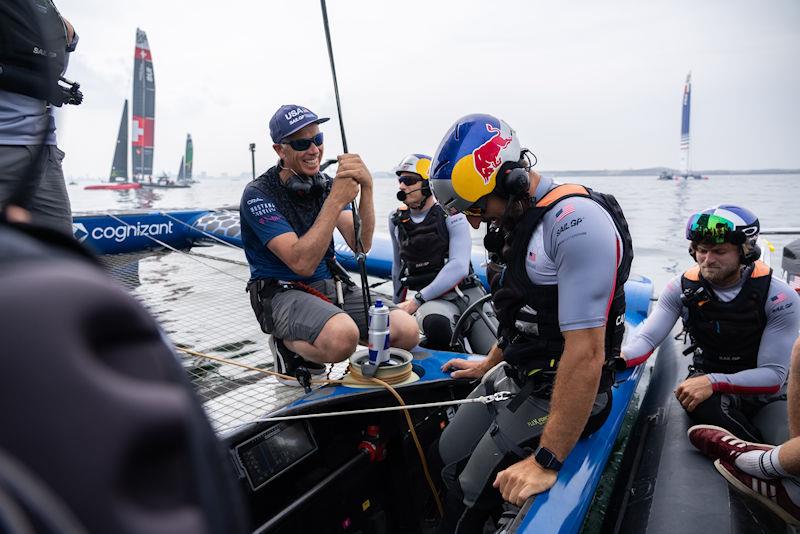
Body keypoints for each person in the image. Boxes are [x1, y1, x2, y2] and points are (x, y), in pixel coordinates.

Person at [428, 113, 633, 532]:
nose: (473, 221)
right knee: (447, 452)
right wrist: (489, 363)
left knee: (468, 487)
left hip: (566, 387)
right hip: (519, 372)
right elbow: (521, 311)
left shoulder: (575, 224)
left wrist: (546, 460)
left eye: (478, 208)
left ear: (512, 182)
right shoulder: (512, 222)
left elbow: (588, 351)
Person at [240, 104, 418, 386]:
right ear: (279, 150)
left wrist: (367, 189)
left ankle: (324, 328)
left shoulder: (324, 185)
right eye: (302, 143)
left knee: (406, 331)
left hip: (329, 286)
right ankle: (286, 346)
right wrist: (335, 200)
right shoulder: (258, 195)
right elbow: (301, 263)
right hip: (280, 293)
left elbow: (361, 244)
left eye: (318, 139)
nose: (314, 150)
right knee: (343, 339)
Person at [622, 205, 800, 444]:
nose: (708, 260)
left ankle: (767, 463)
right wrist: (616, 358)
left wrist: (712, 381)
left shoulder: (778, 295)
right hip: (710, 385)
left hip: (765, 392)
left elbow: (774, 376)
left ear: (745, 252)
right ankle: (755, 460)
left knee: (788, 439)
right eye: (702, 251)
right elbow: (646, 340)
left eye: (719, 251)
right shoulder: (681, 287)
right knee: (700, 404)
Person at [389, 153, 496, 354]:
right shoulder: (396, 219)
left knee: (494, 352)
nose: (402, 186)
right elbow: (397, 268)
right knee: (436, 323)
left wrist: (416, 301)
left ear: (427, 184)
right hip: (433, 302)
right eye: (400, 180)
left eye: (409, 180)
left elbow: (459, 266)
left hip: (466, 294)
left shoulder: (452, 214)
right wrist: (397, 311)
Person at [686, 337, 800, 526]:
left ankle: (753, 460)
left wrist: (712, 380)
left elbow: (775, 376)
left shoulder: (779, 307)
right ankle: (794, 485)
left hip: (770, 391)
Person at [0, 0, 80, 235]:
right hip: (5, 147)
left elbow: (69, 36)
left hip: (44, 153)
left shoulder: (48, 14)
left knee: (60, 251)